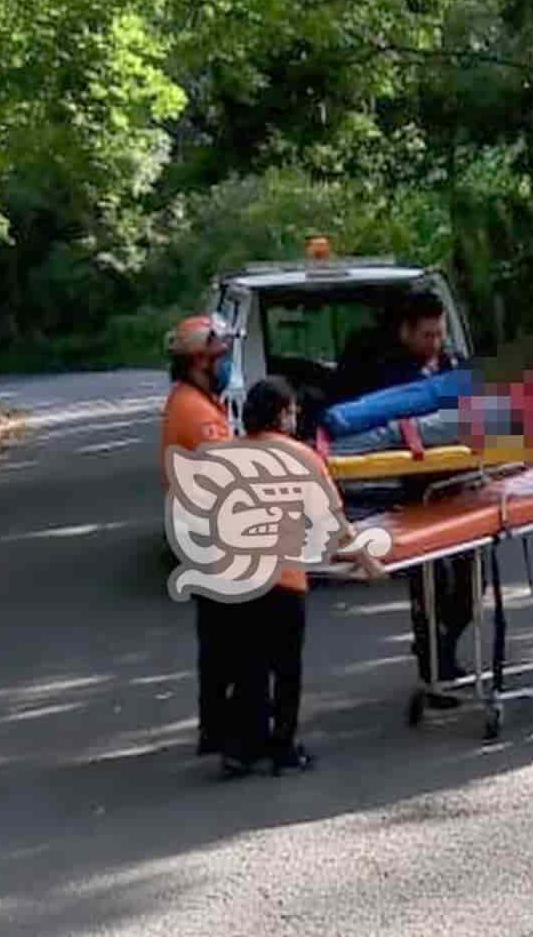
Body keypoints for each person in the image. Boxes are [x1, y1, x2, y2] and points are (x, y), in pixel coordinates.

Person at [222, 376, 385, 777]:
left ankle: (243, 748)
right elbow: (336, 525)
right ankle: (283, 748)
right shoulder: (301, 457)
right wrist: (368, 563)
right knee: (286, 667)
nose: (296, 417)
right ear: (281, 414)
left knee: (248, 667)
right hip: (281, 579)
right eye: (292, 410)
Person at [341, 290, 474, 695]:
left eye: (440, 334)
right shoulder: (389, 375)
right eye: (427, 335)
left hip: (462, 487)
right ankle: (434, 666)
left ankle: (445, 648)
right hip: (419, 491)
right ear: (405, 332)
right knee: (430, 584)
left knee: (470, 586)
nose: (435, 343)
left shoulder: (454, 367)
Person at [161, 313, 236, 756]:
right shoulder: (196, 411)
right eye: (220, 356)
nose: (226, 363)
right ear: (198, 362)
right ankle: (227, 731)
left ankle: (217, 727)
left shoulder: (193, 401)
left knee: (218, 638)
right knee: (230, 638)